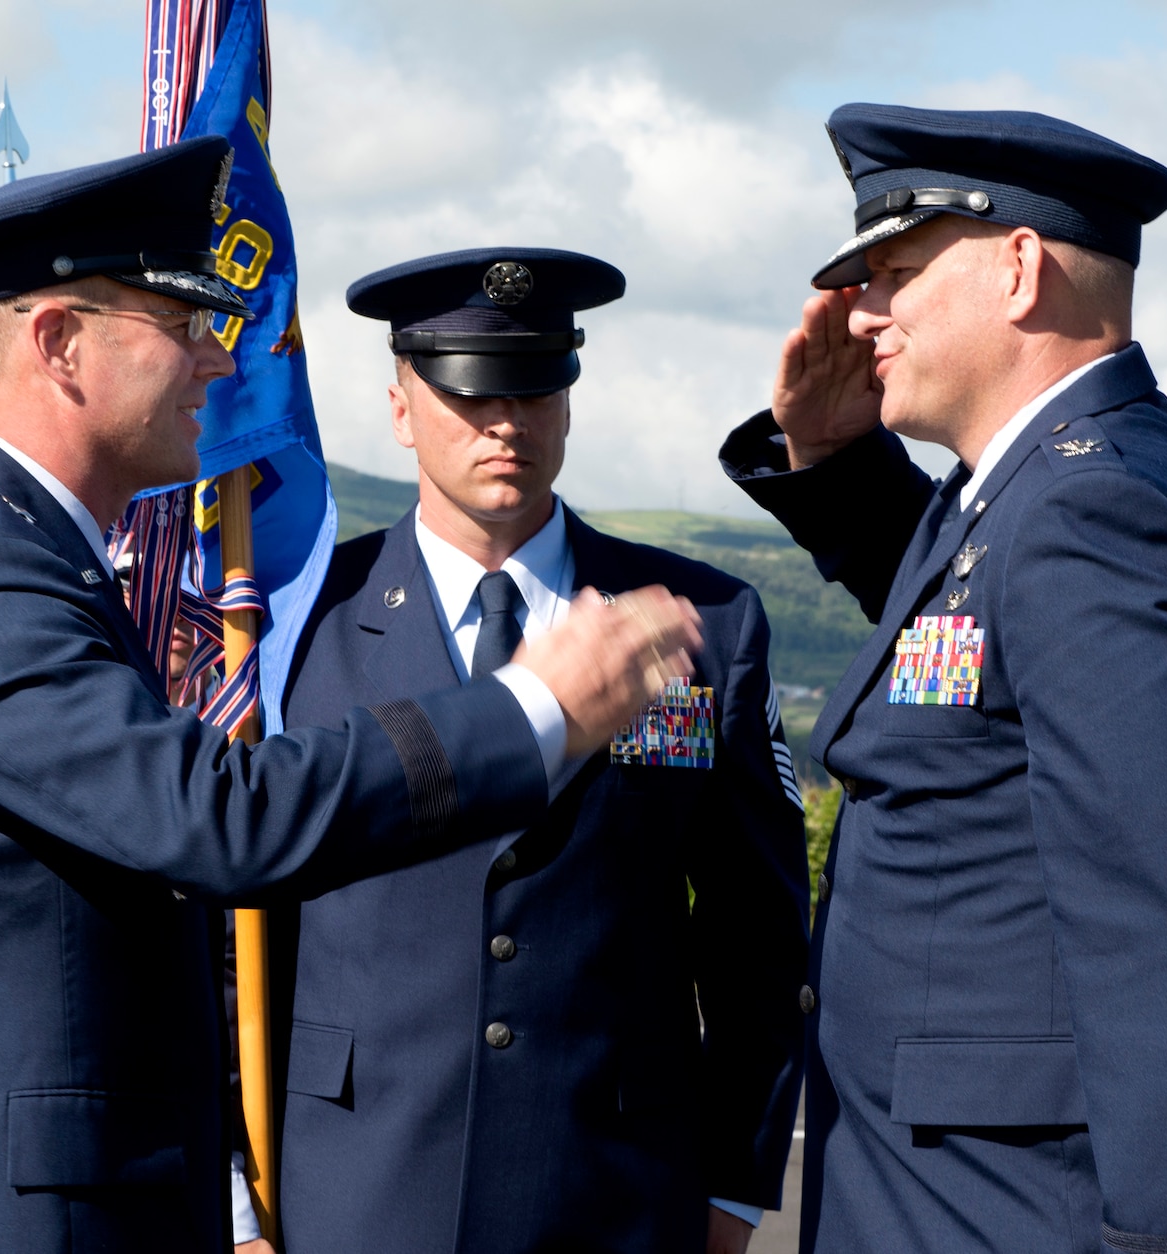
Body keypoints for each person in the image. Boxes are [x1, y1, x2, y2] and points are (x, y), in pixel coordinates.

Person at [0, 137, 702, 1254]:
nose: (219, 363)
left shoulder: (14, 552)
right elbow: (216, 817)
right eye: (181, 324)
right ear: (58, 344)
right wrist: (532, 707)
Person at [719, 106, 1167, 1253]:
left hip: (1014, 1211)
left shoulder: (1096, 510)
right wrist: (832, 463)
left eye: (892, 272)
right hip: (949, 1195)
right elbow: (976, 656)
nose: (864, 313)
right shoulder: (1033, 490)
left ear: (1019, 268)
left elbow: (1166, 940)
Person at [264, 248, 808, 1254]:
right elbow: (234, 929)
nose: (505, 423)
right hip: (353, 1182)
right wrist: (241, 1196)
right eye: (471, 396)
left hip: (615, 1190)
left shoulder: (702, 624)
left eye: (533, 388)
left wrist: (733, 1185)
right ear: (400, 408)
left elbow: (756, 939)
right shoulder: (298, 624)